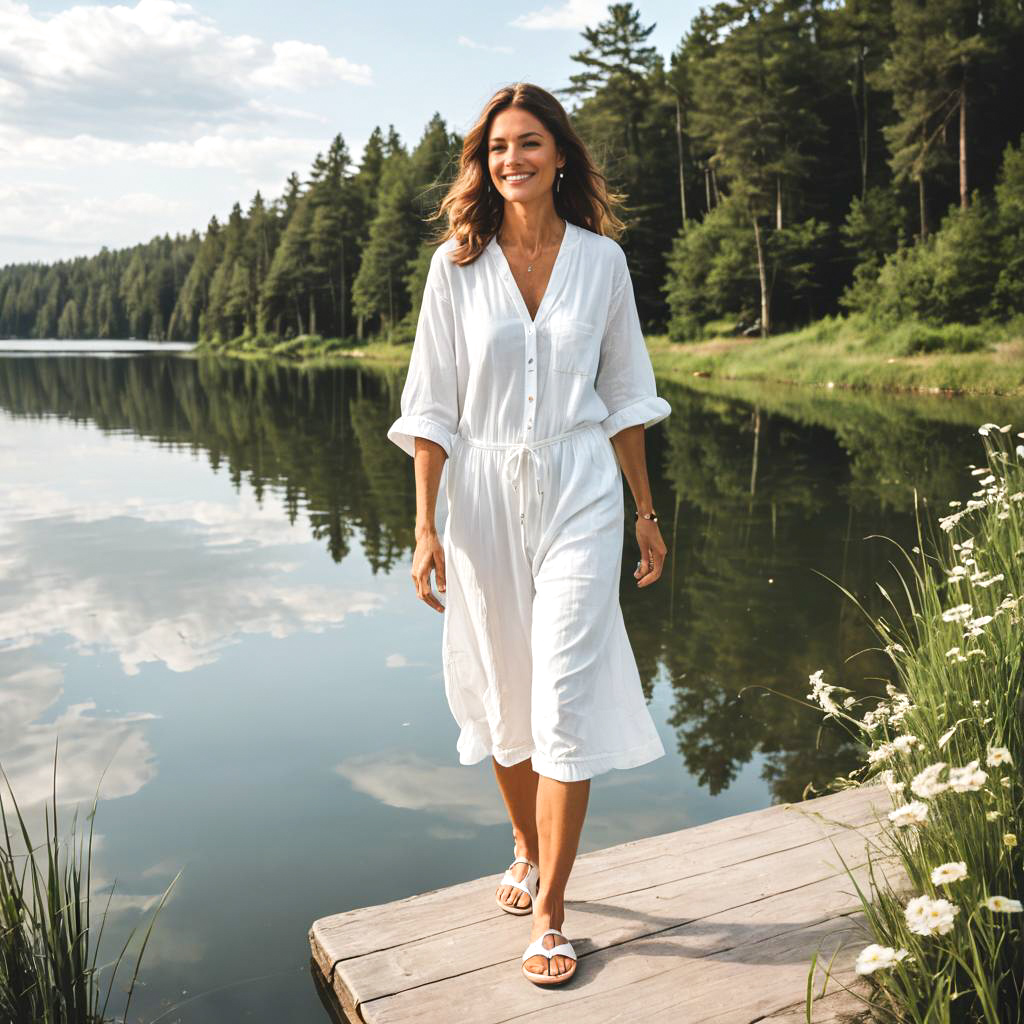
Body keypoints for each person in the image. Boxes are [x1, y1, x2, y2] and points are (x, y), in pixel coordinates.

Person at [386, 82, 671, 986]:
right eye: (499, 147)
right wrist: (425, 526)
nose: (514, 159)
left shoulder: (602, 262)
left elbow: (626, 396)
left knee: (563, 697)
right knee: (506, 692)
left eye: (531, 143)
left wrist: (646, 513)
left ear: (560, 156)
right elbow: (431, 407)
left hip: (580, 485)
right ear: (484, 163)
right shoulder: (454, 268)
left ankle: (552, 913)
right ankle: (522, 839)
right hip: (480, 496)